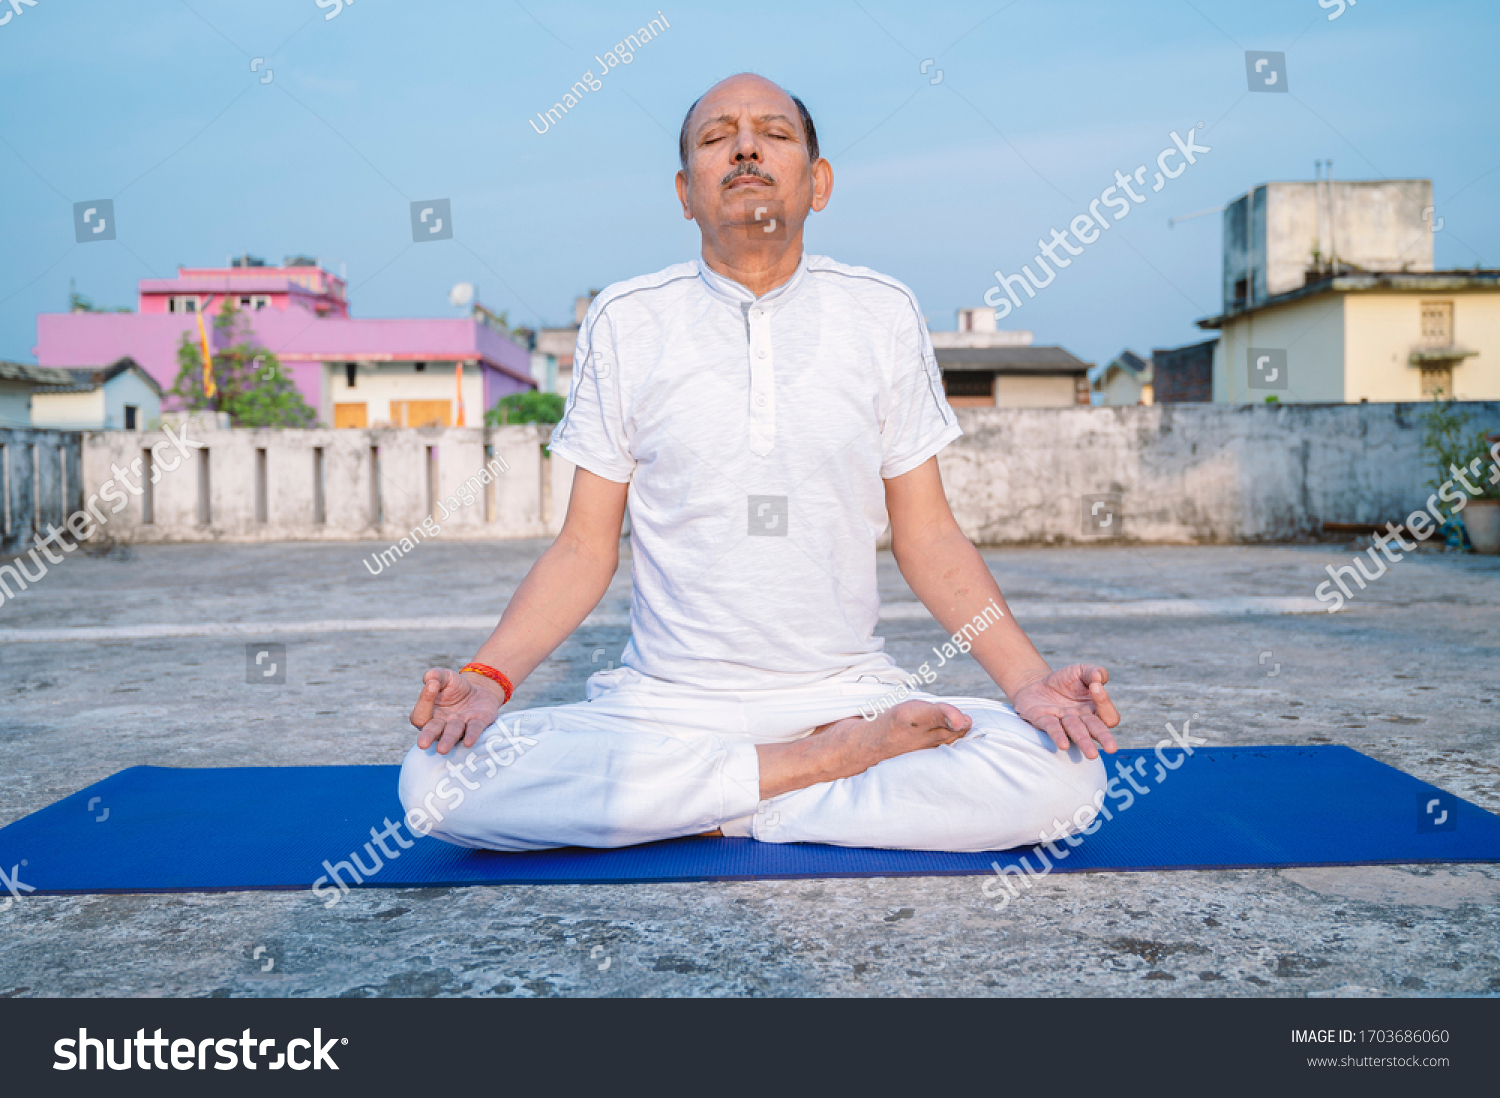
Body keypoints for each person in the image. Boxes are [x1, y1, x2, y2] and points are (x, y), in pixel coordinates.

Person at [399, 73, 1120, 854]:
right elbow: (582, 547)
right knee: (438, 785)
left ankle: (717, 800)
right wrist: (489, 677)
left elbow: (930, 535)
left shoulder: (881, 311)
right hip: (665, 707)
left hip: (846, 696)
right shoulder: (627, 319)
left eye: (774, 133)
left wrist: (1026, 682)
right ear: (684, 192)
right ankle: (816, 776)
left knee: (1065, 779)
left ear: (820, 182)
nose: (745, 146)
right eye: (716, 138)